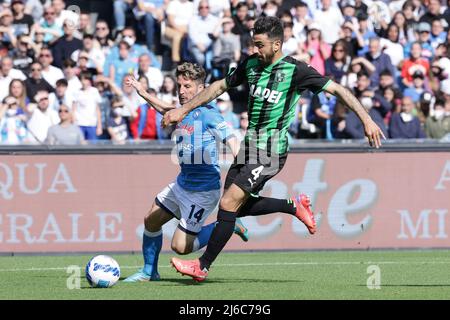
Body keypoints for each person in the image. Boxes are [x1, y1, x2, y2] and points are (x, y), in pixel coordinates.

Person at [163, 16, 385, 282]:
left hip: (271, 151)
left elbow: (337, 90)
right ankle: (293, 206)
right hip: (249, 147)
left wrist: (367, 119)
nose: (255, 49)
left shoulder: (297, 71)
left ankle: (202, 266)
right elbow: (217, 88)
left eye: (260, 44)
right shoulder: (251, 65)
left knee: (229, 202)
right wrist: (183, 109)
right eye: (253, 44)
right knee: (236, 210)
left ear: (277, 44)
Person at [122, 62, 248, 282]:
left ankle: (226, 226)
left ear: (201, 89)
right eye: (179, 85)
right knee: (151, 220)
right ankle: (149, 272)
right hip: (182, 183)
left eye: (187, 86)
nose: (181, 91)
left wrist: (245, 171)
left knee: (180, 247)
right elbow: (165, 109)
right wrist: (142, 92)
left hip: (203, 191)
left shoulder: (210, 115)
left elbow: (233, 143)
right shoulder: (184, 110)